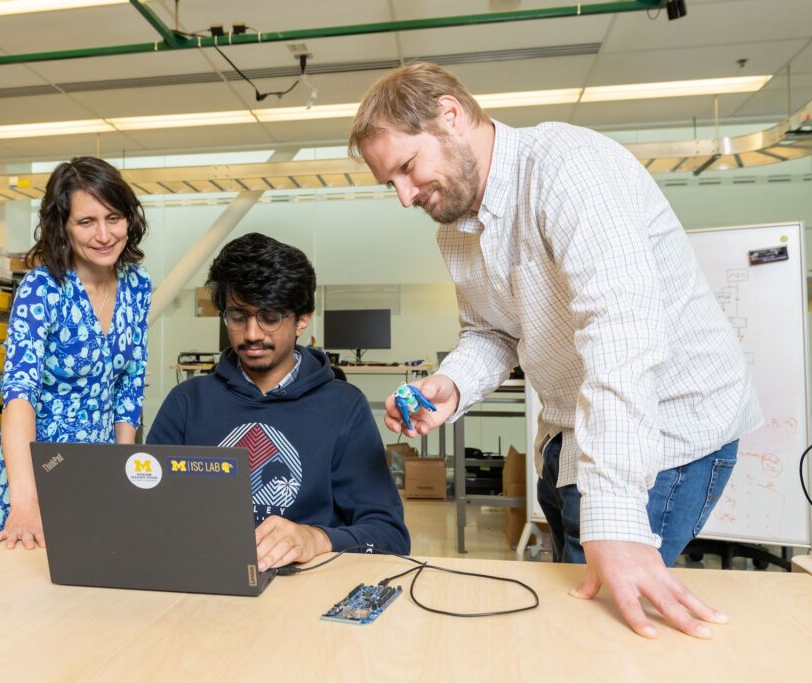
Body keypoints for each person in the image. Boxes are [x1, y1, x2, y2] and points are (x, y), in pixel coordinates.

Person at [349, 63, 761, 638]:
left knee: (612, 624)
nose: (403, 196)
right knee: (578, 608)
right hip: (571, 433)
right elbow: (492, 333)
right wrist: (454, 383)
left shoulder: (570, 169)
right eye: (389, 183)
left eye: (407, 168)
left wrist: (614, 515)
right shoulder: (456, 229)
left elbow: (623, 336)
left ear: (451, 115)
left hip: (667, 428)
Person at [147, 232, 410, 571]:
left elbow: (390, 536)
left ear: (302, 319)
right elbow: (146, 511)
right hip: (205, 587)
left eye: (270, 317)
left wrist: (316, 539)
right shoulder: (186, 402)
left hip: (305, 593)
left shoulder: (344, 407)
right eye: (238, 316)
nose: (253, 334)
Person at [0, 156, 151, 549]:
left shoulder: (137, 285)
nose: (104, 234)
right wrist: (25, 498)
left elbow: (130, 385)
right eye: (86, 222)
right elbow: (19, 396)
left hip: (98, 472)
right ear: (64, 227)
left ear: (129, 219)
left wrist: (122, 472)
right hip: (36, 472)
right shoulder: (43, 289)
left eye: (113, 217)